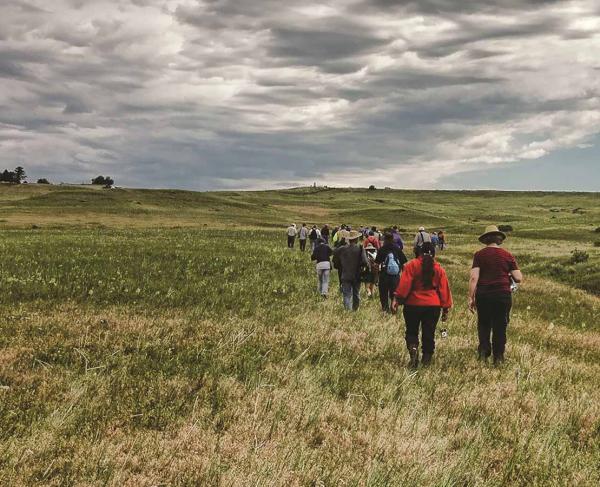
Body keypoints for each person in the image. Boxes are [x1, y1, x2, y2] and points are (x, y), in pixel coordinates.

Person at [392, 242, 452, 367]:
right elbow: (444, 289)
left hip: (413, 304)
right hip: (433, 305)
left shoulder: (411, 265)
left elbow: (404, 285)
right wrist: (445, 308)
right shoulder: (439, 269)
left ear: (419, 252)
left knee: (412, 331)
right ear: (433, 254)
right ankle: (426, 359)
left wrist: (397, 299)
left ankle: (413, 350)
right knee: (429, 332)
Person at [469, 225, 523, 365]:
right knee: (500, 325)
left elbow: (474, 278)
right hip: (502, 294)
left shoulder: (479, 255)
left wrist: (471, 297)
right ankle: (498, 356)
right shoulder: (507, 255)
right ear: (499, 239)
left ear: (485, 239)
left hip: (484, 295)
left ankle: (483, 352)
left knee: (484, 324)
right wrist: (508, 272)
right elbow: (518, 278)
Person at [333, 230, 370, 311]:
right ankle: (355, 309)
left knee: (346, 294)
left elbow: (335, 254)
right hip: (356, 275)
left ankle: (347, 311)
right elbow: (365, 262)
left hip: (345, 274)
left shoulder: (342, 249)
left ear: (349, 239)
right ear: (356, 239)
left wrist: (338, 265)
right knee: (356, 293)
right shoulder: (360, 248)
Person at [376, 233, 408, 313]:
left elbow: (377, 263)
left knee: (383, 293)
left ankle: (385, 309)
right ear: (393, 239)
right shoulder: (397, 249)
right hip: (395, 276)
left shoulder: (382, 249)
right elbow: (404, 263)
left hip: (384, 275)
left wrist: (376, 276)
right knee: (394, 294)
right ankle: (394, 309)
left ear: (385, 239)